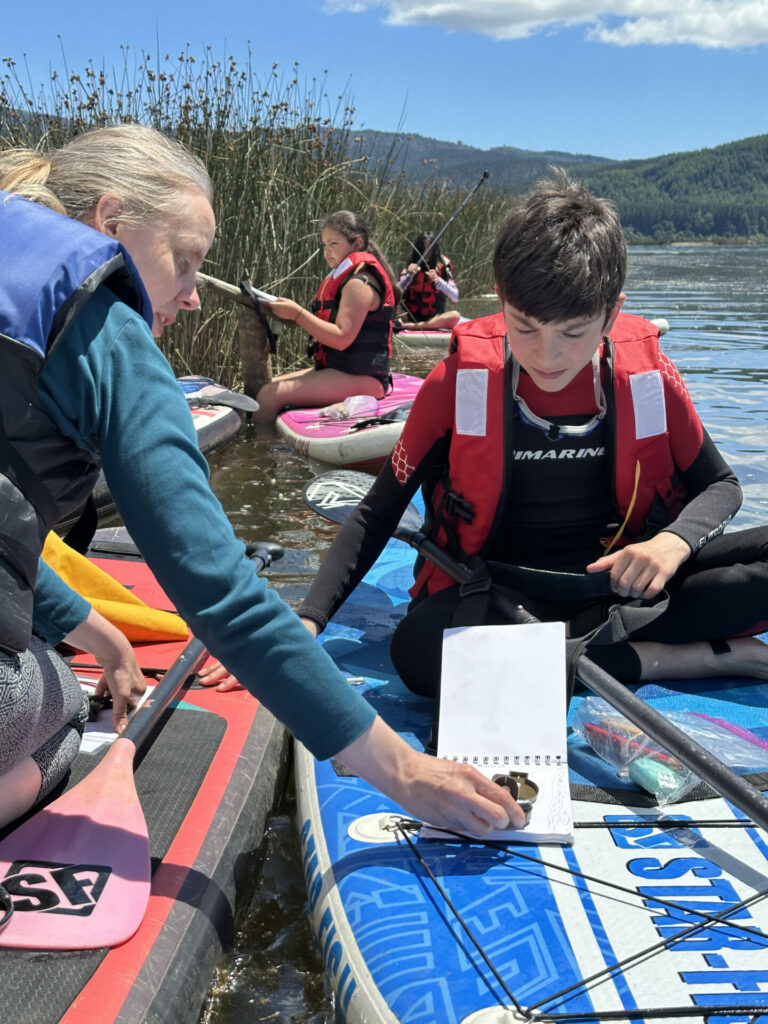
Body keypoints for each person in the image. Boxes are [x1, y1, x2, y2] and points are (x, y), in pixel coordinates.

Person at [0, 125, 521, 835]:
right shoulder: (109, 335)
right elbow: (221, 595)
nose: (191, 296)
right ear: (110, 222)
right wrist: (403, 770)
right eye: (185, 264)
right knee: (57, 695)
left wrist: (106, 637)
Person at [298, 171, 768, 706]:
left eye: (572, 332)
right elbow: (375, 512)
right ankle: (669, 659)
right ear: (501, 298)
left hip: (625, 591)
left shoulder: (647, 379)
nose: (546, 356)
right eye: (524, 327)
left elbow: (722, 487)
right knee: (419, 652)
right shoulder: (457, 384)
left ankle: (579, 655)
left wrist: (673, 542)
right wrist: (309, 620)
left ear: (612, 312)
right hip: (499, 598)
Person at [252, 211, 400, 422]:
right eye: (324, 245)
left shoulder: (359, 283)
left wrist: (298, 314)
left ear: (356, 244)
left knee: (269, 396)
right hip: (342, 371)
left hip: (365, 379)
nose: (327, 252)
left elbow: (341, 338)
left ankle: (261, 452)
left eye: (334, 244)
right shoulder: (348, 278)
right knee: (266, 387)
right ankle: (270, 442)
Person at [396, 231, 461, 332]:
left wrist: (439, 281)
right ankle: (411, 324)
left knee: (455, 316)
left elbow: (455, 297)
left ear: (434, 250)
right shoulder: (411, 265)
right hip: (409, 316)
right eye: (423, 249)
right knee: (390, 310)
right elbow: (395, 293)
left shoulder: (443, 267)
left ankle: (415, 326)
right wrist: (409, 277)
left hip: (433, 319)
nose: (426, 253)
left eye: (429, 250)